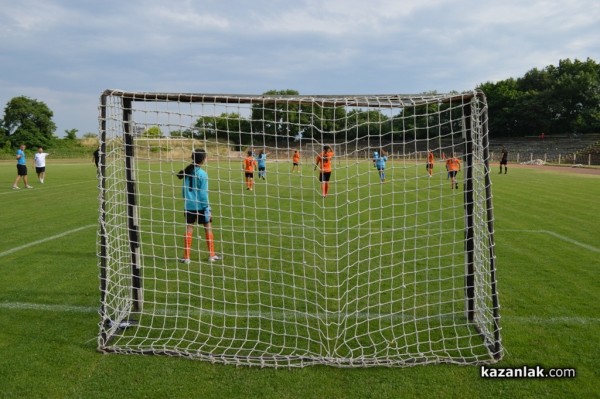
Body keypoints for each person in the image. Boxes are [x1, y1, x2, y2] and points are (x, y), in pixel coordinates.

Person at [176, 149, 219, 263]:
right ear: (203, 159)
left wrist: (187, 200)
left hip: (189, 205)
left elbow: (184, 190)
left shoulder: (186, 172)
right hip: (201, 206)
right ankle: (212, 255)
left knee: (189, 228)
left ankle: (186, 257)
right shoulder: (202, 174)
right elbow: (203, 193)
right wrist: (206, 207)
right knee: (208, 227)